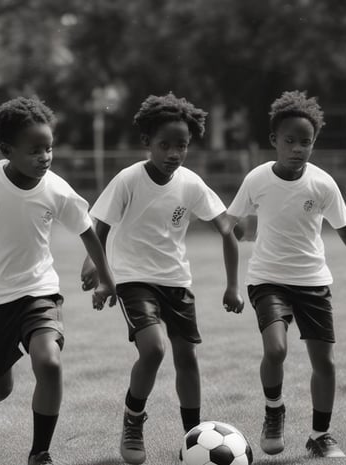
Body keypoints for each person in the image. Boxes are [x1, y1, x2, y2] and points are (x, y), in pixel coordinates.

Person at [0, 97, 117, 465]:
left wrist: (106, 278)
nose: (45, 157)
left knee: (49, 363)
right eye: (35, 150)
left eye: (49, 148)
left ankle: (40, 453)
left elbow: (88, 232)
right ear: (7, 150)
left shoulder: (56, 189)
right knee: (0, 386)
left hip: (39, 291)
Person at [81, 93, 244, 465]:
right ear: (147, 144)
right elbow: (98, 225)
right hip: (133, 278)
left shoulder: (191, 183)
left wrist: (233, 284)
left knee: (187, 358)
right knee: (153, 349)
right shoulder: (128, 179)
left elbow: (226, 230)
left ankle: (194, 435)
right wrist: (96, 269)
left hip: (176, 281)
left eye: (182, 146)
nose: (174, 153)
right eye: (165, 145)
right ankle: (133, 420)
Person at [226, 91, 346, 458]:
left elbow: (345, 229)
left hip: (313, 282)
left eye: (306, 142)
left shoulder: (323, 184)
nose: (298, 148)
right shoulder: (256, 179)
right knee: (276, 349)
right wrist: (234, 247)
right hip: (267, 279)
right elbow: (230, 222)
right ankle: (274, 410)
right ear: (274, 142)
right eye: (290, 141)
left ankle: (320, 435)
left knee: (325, 363)